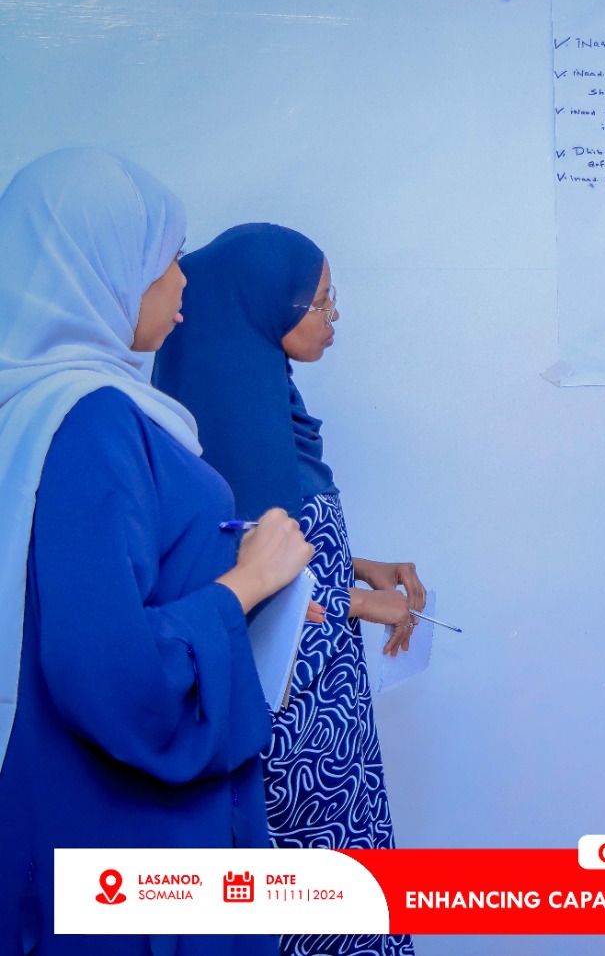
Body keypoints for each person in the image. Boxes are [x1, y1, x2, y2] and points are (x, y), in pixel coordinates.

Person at [0, 150, 314, 955]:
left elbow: (76, 590)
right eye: (166, 258)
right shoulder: (94, 418)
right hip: (125, 834)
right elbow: (114, 675)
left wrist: (250, 584)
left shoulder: (43, 410)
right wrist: (245, 584)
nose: (182, 283)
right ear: (97, 265)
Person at [154, 223, 423, 956]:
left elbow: (286, 537)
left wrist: (354, 563)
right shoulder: (227, 435)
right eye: (321, 303)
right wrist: (362, 603)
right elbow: (250, 598)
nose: (332, 319)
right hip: (289, 728)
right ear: (265, 303)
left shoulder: (267, 405)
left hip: (331, 715)